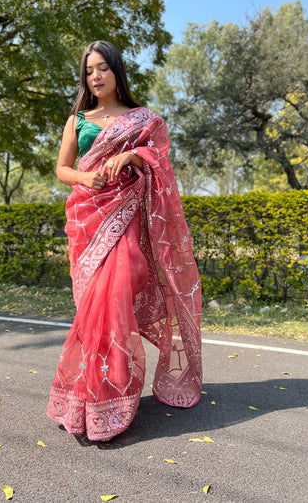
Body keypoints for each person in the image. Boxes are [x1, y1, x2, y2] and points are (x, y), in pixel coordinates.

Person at [47, 40, 202, 441]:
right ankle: (88, 396)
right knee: (93, 309)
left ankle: (116, 392)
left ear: (116, 71)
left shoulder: (142, 120)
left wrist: (134, 157)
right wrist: (85, 177)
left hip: (128, 219)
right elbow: (62, 169)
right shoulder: (78, 120)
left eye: (102, 68)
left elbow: (161, 162)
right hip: (87, 222)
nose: (94, 77)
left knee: (116, 299)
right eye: (88, 71)